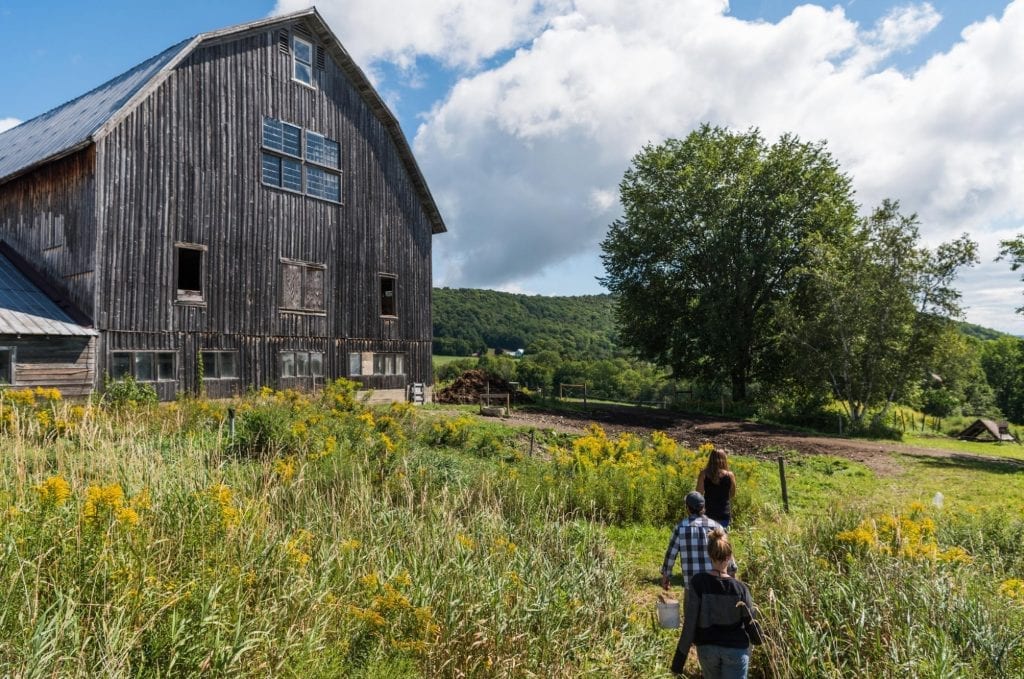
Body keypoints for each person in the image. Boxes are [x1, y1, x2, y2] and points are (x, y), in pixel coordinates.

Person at [672, 528, 757, 678]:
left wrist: (679, 661)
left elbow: (690, 624)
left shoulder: (698, 583)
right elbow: (751, 621)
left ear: (709, 555)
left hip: (707, 649)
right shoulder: (740, 588)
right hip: (735, 649)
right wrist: (758, 639)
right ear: (730, 557)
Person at [661, 491, 721, 591]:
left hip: (692, 586)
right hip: (714, 585)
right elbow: (727, 553)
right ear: (703, 507)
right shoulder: (716, 526)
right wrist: (732, 571)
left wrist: (666, 576)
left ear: (687, 508)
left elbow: (671, 554)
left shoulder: (680, 527)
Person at [697, 447, 736, 529]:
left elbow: (698, 494)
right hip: (724, 513)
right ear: (724, 459)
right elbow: (732, 494)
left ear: (710, 459)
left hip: (708, 513)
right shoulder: (730, 475)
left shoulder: (704, 474)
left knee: (707, 539)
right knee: (721, 539)